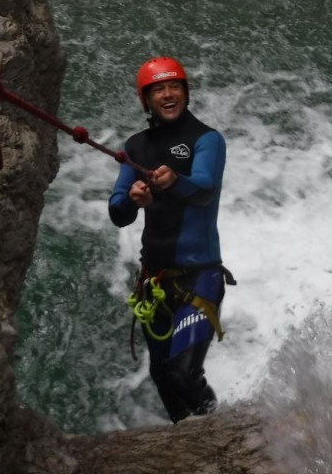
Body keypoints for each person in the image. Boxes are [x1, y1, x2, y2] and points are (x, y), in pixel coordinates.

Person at [108, 56, 232, 423]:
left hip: (199, 278)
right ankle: (191, 443)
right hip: (154, 283)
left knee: (184, 374)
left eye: (174, 86)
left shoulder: (207, 140)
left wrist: (176, 181)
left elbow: (205, 189)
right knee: (163, 376)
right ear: (145, 100)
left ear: (186, 92)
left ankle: (226, 433)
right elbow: (118, 212)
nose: (168, 95)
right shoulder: (136, 147)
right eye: (158, 89)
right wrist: (134, 199)